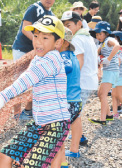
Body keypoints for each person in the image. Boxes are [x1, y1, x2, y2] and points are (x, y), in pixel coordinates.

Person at [0, 15, 70, 168]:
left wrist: (3, 97)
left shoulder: (52, 59)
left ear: (58, 42)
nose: (38, 41)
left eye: (45, 38)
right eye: (36, 36)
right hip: (39, 122)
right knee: (6, 154)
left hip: (56, 124)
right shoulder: (38, 58)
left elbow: (27, 79)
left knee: (31, 165)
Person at [61, 11, 98, 156]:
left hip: (81, 82)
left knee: (74, 117)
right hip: (89, 80)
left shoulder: (76, 39)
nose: (67, 28)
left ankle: (74, 149)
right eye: (64, 25)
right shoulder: (86, 36)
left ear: (79, 23)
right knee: (77, 114)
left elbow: (79, 62)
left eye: (69, 25)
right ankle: (79, 138)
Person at [11, 0, 55, 120]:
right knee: (19, 81)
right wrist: (39, 43)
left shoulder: (52, 15)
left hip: (38, 52)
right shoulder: (34, 8)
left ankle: (28, 110)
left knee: (35, 80)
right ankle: (17, 113)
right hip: (22, 49)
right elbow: (25, 29)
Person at [57, 27, 82, 167]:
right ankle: (73, 151)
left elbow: (67, 69)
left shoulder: (64, 56)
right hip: (76, 100)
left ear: (65, 42)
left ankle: (62, 163)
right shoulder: (73, 55)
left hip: (68, 101)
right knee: (63, 132)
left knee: (58, 136)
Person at [88, 21, 120, 125]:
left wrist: (108, 59)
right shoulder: (102, 44)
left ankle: (102, 120)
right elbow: (95, 54)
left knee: (103, 94)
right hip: (107, 71)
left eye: (100, 33)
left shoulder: (109, 40)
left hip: (111, 71)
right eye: (96, 34)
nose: (98, 36)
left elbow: (117, 46)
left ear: (106, 33)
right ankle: (109, 115)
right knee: (100, 94)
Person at [111, 31, 122, 118]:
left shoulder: (118, 51)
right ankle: (115, 114)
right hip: (117, 76)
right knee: (114, 95)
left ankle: (115, 113)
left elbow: (117, 63)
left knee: (118, 95)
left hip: (119, 76)